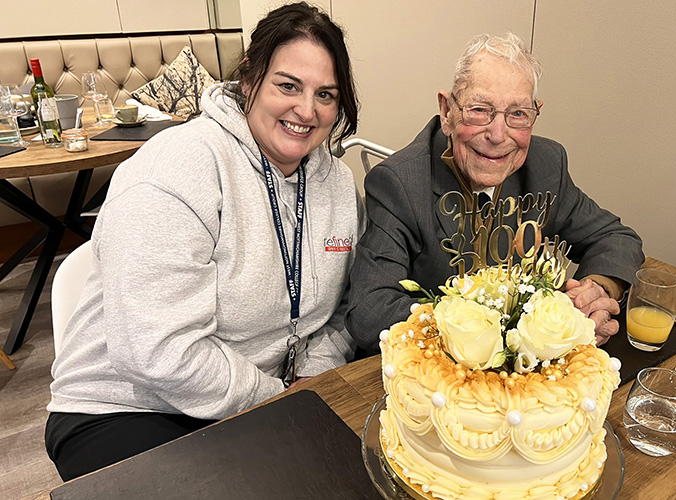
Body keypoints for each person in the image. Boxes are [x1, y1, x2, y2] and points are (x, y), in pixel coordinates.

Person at [45, 2, 364, 481]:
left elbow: (342, 306)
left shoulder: (337, 184)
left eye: (326, 94)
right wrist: (274, 399)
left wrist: (313, 375)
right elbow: (157, 350)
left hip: (261, 397)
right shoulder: (178, 167)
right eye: (288, 86)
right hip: (126, 408)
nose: (306, 110)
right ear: (249, 78)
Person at [345, 33, 644, 353]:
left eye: (518, 114)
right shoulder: (399, 184)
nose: (498, 135)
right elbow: (369, 312)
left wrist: (595, 291)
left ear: (535, 114)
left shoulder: (546, 165)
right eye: (479, 109)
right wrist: (508, 330)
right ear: (446, 111)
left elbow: (617, 239)